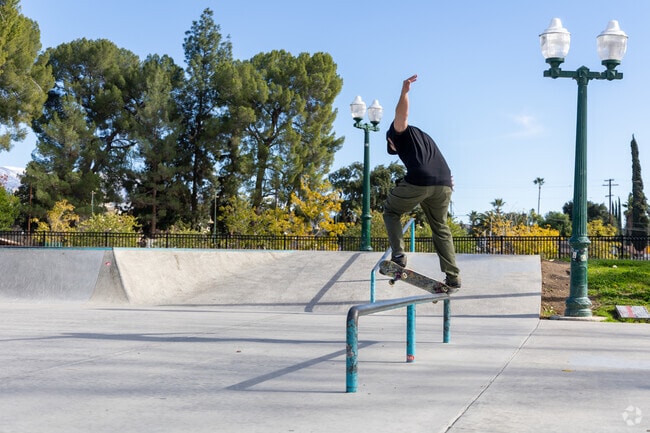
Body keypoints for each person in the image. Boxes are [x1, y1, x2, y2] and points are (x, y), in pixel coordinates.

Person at [382, 74, 461, 289]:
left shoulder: (398, 133)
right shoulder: (424, 137)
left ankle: (398, 255)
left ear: (391, 141)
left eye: (392, 149)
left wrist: (404, 92)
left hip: (420, 180)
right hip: (444, 183)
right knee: (440, 227)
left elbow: (401, 115)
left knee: (391, 211)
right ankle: (453, 276)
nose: (395, 151)